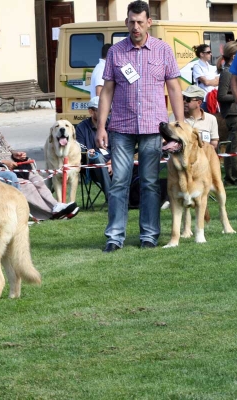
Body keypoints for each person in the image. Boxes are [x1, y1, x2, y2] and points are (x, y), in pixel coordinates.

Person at [96, 0, 184, 252]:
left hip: (152, 127)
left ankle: (149, 235)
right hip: (121, 127)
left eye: (140, 22)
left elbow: (174, 88)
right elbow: (107, 91)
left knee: (149, 182)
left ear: (149, 22)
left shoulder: (163, 50)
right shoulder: (115, 52)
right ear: (126, 22)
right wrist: (101, 126)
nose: (135, 26)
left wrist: (178, 126)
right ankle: (114, 237)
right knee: (120, 182)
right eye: (131, 22)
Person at [0, 104, 79, 220]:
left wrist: (15, 154)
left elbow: (8, 148)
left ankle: (57, 206)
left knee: (37, 179)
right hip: (0, 168)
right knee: (27, 185)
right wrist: (2, 161)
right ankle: (51, 213)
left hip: (15, 164)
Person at [75, 96, 112, 199]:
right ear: (91, 112)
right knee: (97, 157)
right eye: (101, 110)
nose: (106, 113)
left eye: (108, 110)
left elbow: (119, 147)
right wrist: (87, 152)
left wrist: (112, 162)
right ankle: (111, 198)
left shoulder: (112, 124)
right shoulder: (81, 127)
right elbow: (79, 149)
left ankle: (133, 198)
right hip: (93, 168)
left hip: (114, 164)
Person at [218, 41, 237, 186]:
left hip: (234, 112)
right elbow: (221, 96)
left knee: (232, 146)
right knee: (236, 146)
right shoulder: (227, 73)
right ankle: (235, 176)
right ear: (234, 55)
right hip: (233, 113)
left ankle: (231, 176)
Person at [169, 85, 218, 150]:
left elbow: (214, 143)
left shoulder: (211, 119)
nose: (184, 101)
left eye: (188, 99)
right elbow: (169, 139)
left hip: (203, 157)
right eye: (183, 98)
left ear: (199, 102)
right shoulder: (175, 116)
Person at [192, 44, 219, 108]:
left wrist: (210, 81)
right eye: (208, 52)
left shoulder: (212, 67)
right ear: (201, 54)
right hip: (204, 100)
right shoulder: (197, 66)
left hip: (214, 98)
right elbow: (206, 82)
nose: (211, 54)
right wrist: (214, 81)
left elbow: (218, 81)